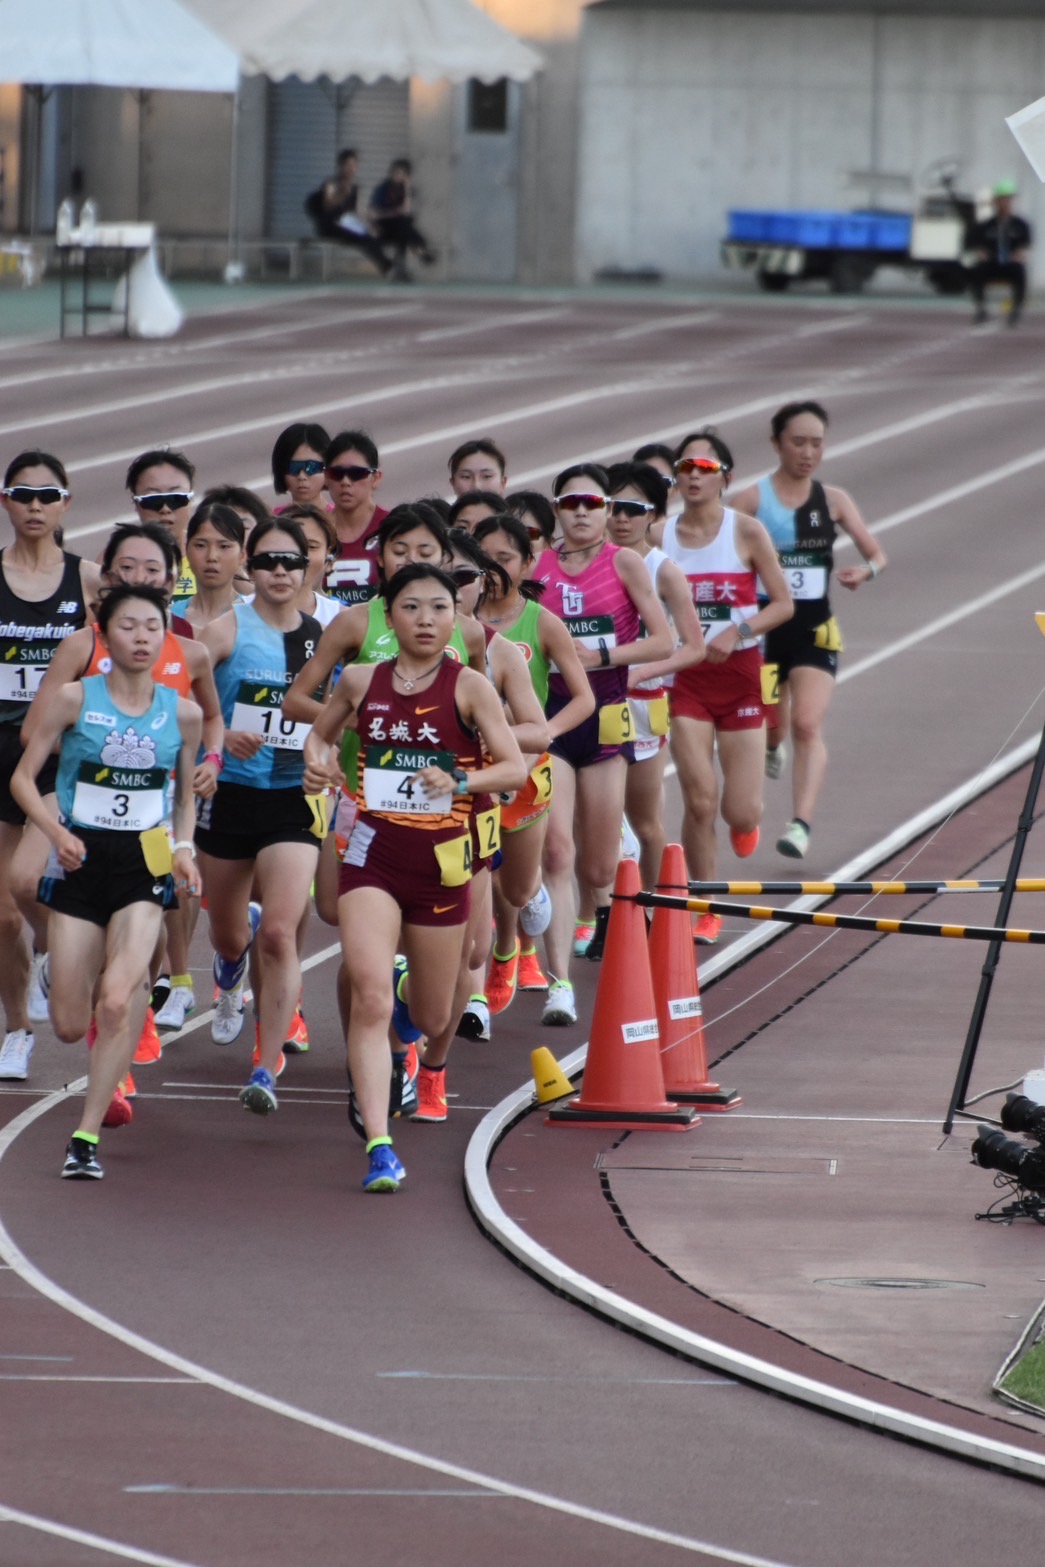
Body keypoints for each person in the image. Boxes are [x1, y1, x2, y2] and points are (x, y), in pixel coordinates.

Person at [303, 562, 525, 1192]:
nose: (425, 620)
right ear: (388, 615)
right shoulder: (359, 680)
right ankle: (380, 1145)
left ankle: (409, 1005)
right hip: (372, 853)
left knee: (429, 1016)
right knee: (368, 995)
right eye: (411, 607)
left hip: (443, 862)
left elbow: (513, 768)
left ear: (455, 617)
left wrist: (461, 780)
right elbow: (317, 739)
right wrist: (317, 767)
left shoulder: (470, 687)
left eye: (438, 608)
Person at [11, 583, 202, 1180]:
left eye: (153, 627)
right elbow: (22, 779)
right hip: (80, 860)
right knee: (71, 1025)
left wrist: (184, 849)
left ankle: (85, 1136)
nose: (142, 638)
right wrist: (55, 831)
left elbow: (184, 798)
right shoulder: (73, 699)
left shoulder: (184, 713)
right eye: (128, 626)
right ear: (104, 634)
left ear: (166, 635)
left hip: (144, 863)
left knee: (117, 999)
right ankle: (64, 973)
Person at [21, 522, 224, 1049]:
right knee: (22, 881)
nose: (139, 577)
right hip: (77, 789)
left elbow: (208, 719)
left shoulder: (189, 651)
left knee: (153, 919)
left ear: (171, 580)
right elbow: (34, 734)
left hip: (155, 809)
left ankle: (131, 1015)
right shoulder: (83, 645)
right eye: (127, 568)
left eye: (152, 569)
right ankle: (64, 962)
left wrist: (212, 759)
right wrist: (105, 743)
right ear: (107, 576)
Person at [533, 463, 673, 1023]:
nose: (582, 513)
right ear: (557, 510)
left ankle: (611, 908)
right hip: (552, 718)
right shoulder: (537, 565)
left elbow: (663, 641)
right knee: (556, 851)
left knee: (596, 869)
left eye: (592, 503)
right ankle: (560, 985)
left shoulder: (625, 563)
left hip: (607, 718)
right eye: (571, 503)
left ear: (608, 510)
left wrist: (602, 657)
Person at [197, 519, 324, 1107]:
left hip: (292, 798)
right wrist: (220, 740)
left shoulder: (323, 638)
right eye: (268, 560)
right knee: (230, 937)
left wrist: (325, 760)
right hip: (228, 796)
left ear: (306, 568)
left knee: (277, 932)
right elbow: (176, 704)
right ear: (251, 565)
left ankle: (266, 1066)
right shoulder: (224, 631)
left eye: (290, 561)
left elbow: (336, 715)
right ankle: (229, 969)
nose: (279, 571)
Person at [730, 402, 886, 860]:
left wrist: (866, 572)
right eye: (798, 442)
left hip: (815, 630)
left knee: (806, 723)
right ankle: (771, 744)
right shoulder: (751, 501)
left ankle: (800, 824)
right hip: (762, 634)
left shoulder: (833, 500)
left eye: (817, 443)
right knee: (772, 727)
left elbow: (877, 554)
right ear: (776, 443)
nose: (808, 452)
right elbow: (721, 553)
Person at [660, 430, 792, 944]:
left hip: (739, 677)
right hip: (685, 680)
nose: (694, 476)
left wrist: (736, 631)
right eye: (686, 467)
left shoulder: (746, 531)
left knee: (740, 810)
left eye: (706, 468)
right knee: (699, 800)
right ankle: (705, 902)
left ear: (725, 478)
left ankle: (745, 820)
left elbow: (782, 604)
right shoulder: (660, 536)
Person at [0, 451, 100, 1083]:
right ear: (5, 502)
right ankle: (16, 1030)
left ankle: (55, 945)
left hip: (58, 753)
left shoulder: (88, 580)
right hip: (1, 747)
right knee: (2, 914)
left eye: (47, 495)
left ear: (66, 502)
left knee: (26, 882)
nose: (35, 506)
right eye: (22, 494)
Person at [474, 513, 595, 1011]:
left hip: (525, 766)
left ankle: (520, 924)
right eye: (482, 559)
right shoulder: (447, 620)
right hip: (470, 768)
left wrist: (545, 735)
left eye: (504, 558)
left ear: (528, 563)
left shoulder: (542, 623)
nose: (491, 569)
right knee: (478, 869)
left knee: (519, 886)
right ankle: (499, 957)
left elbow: (583, 699)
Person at [604, 461, 705, 890]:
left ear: (655, 515)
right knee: (596, 820)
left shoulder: (663, 570)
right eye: (614, 507)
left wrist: (641, 672)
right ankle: (595, 913)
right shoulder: (587, 563)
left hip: (643, 706)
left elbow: (694, 647)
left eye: (634, 509)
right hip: (592, 702)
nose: (621, 518)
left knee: (644, 823)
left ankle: (655, 908)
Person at [323, 430, 388, 606]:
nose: (345, 481)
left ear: (376, 478)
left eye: (357, 473)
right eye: (336, 473)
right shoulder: (314, 531)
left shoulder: (392, 528)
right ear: (326, 478)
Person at [305, 149, 393, 278]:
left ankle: (385, 265)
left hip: (347, 224)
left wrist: (370, 225)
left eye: (354, 165)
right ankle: (386, 265)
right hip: (330, 225)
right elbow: (328, 205)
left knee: (368, 236)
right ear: (341, 166)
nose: (351, 168)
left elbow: (358, 211)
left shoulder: (355, 187)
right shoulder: (332, 183)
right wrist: (343, 194)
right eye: (348, 165)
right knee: (355, 227)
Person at [125, 449, 196, 607]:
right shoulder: (115, 558)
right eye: (153, 500)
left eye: (176, 499)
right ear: (136, 503)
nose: (165, 509)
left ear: (191, 500)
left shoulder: (210, 556)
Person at [969, 181, 1032, 327]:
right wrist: (982, 253)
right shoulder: (986, 225)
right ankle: (981, 309)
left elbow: (1024, 246)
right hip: (992, 262)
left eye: (1008, 200)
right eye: (1002, 199)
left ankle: (1015, 310)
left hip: (1010, 262)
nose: (1005, 203)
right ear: (996, 202)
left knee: (1019, 271)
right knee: (978, 270)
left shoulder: (1020, 225)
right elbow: (978, 245)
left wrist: (1018, 254)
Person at [368, 159, 435, 281]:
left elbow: (407, 211)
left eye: (403, 174)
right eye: (397, 173)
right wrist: (394, 212)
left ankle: (402, 268)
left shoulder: (407, 190)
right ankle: (419, 251)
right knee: (405, 226)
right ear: (392, 173)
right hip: (382, 228)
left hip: (400, 228)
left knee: (404, 226)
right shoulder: (382, 189)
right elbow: (373, 214)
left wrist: (407, 190)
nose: (399, 176)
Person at [270, 422, 332, 512]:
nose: (301, 476)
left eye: (311, 467)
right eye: (293, 467)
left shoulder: (339, 518)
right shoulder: (275, 518)